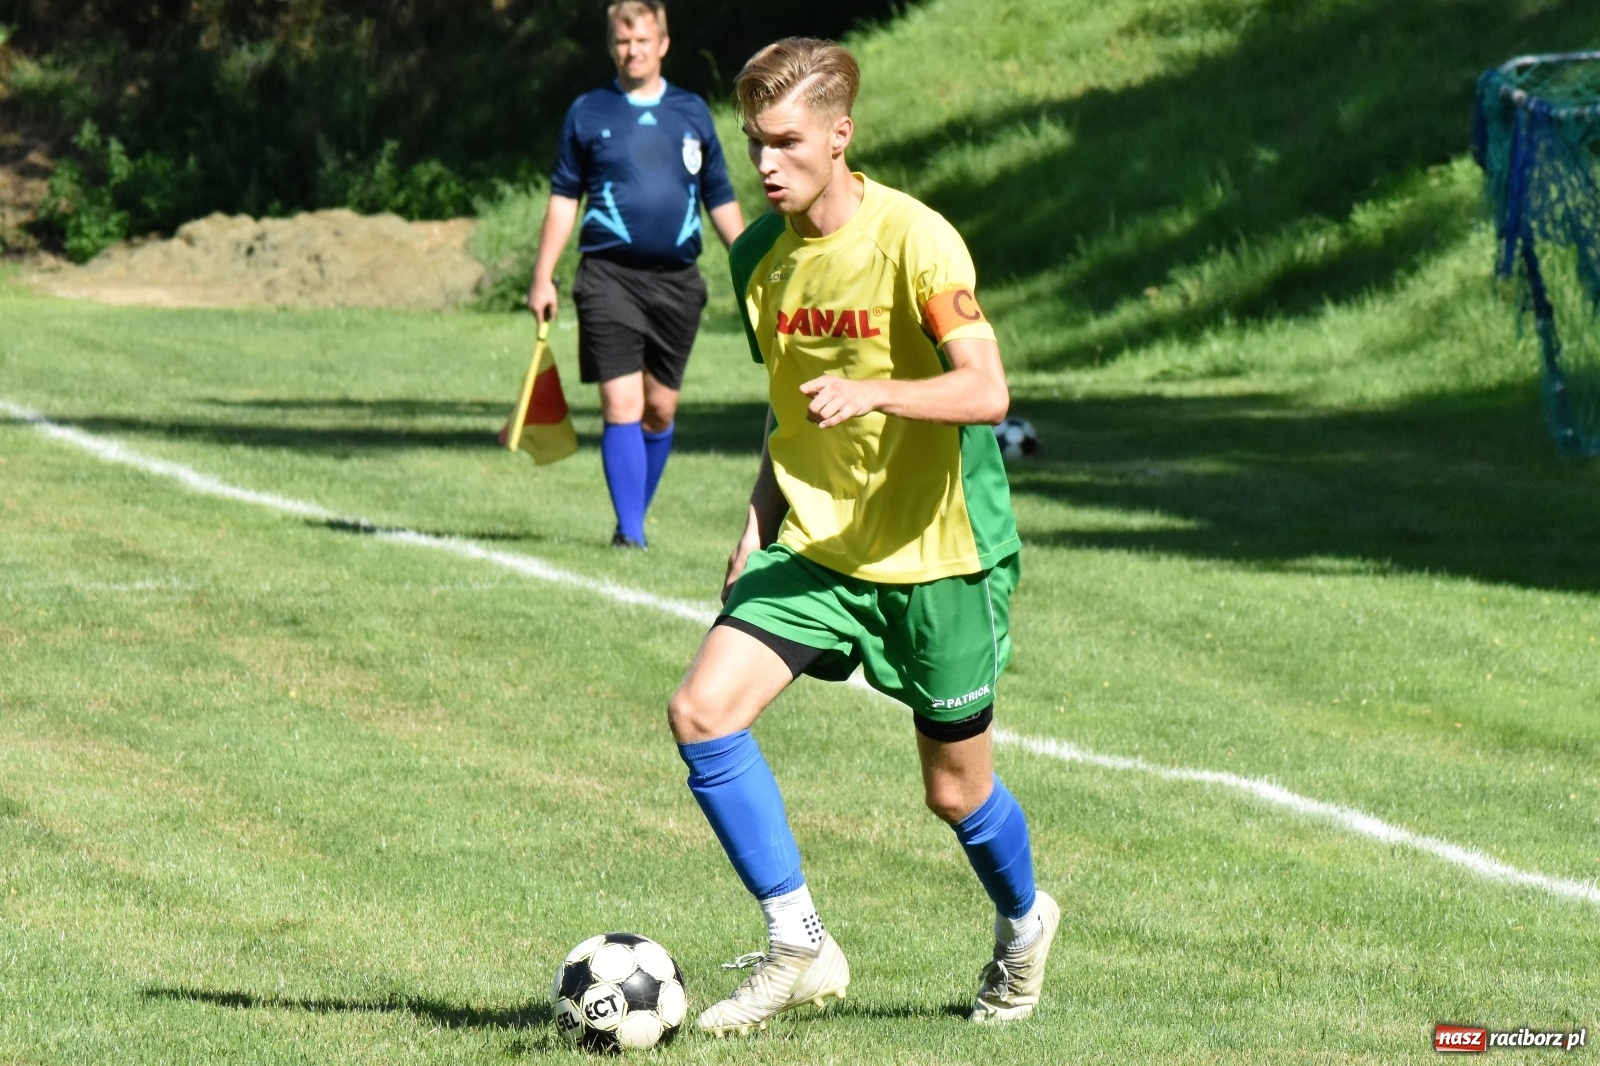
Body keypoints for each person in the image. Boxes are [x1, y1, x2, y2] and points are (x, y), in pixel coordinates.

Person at [667, 38, 1057, 1037]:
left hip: (940, 557)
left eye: (785, 143)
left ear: (840, 137)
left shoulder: (918, 240)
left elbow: (987, 389)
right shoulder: (758, 254)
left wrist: (878, 387)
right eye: (753, 143)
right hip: (816, 550)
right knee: (704, 712)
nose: (764, 165)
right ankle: (797, 943)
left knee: (954, 792)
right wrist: (757, 521)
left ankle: (1023, 923)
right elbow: (786, 410)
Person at [527, 0, 744, 548]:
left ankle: (631, 519)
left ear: (663, 43)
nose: (633, 50)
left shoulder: (692, 113)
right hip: (608, 277)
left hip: (678, 281)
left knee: (659, 408)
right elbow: (562, 198)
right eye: (623, 42)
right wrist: (542, 275)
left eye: (643, 40)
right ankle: (631, 533)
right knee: (620, 403)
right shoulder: (588, 112)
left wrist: (749, 265)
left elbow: (717, 194)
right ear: (611, 46)